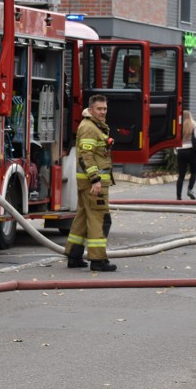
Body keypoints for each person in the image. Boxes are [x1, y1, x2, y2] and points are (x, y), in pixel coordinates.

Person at [65, 95, 117, 272]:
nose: (102, 112)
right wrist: (95, 180)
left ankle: (74, 255)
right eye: (99, 109)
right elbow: (85, 157)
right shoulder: (89, 128)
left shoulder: (93, 126)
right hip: (94, 184)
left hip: (87, 183)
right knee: (100, 219)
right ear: (91, 109)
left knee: (82, 217)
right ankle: (98, 260)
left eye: (104, 109)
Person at [176, 109, 196, 201]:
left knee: (181, 175)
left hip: (181, 151)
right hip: (191, 151)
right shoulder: (193, 124)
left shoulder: (178, 125)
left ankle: (178, 196)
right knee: (194, 172)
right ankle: (190, 190)